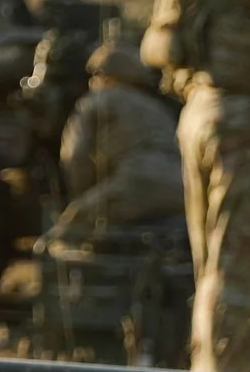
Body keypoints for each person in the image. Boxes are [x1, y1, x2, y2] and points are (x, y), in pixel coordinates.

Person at [143, 0, 250, 372]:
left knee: (211, 264)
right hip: (245, 129)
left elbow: (157, 49)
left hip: (202, 117)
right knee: (239, 276)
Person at [43, 44, 184, 247]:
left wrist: (81, 197)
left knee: (64, 235)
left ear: (106, 76)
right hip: (179, 190)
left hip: (134, 183)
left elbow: (75, 155)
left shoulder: (96, 100)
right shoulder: (157, 108)